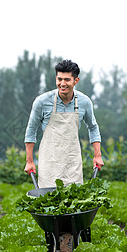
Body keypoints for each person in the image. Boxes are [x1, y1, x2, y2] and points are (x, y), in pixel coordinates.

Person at [24, 59, 104, 188]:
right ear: (56, 78)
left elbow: (93, 127)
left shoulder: (84, 102)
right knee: (49, 201)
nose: (62, 84)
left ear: (75, 81)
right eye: (59, 79)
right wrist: (29, 161)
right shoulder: (42, 101)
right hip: (49, 162)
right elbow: (31, 130)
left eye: (67, 80)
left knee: (74, 203)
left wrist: (97, 156)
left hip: (72, 161)